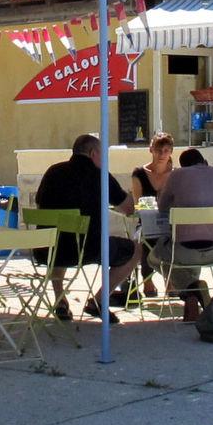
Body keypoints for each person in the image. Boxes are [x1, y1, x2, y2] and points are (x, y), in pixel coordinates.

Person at [33, 133, 140, 323]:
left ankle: (60, 300)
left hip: (45, 249)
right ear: (93, 153)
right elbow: (128, 208)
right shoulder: (99, 176)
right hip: (86, 249)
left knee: (62, 236)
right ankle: (99, 300)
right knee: (135, 250)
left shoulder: (53, 172)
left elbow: (39, 202)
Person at [159, 147, 213, 319]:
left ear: (182, 166)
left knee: (156, 256)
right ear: (205, 162)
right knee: (182, 253)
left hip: (183, 250)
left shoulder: (177, 175)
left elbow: (162, 208)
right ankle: (193, 296)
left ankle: (192, 290)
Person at [128, 131, 178, 298]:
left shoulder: (176, 174)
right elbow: (138, 204)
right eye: (158, 150)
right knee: (146, 235)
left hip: (170, 222)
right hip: (146, 220)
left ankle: (170, 279)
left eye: (166, 150)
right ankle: (147, 279)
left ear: (171, 151)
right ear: (151, 150)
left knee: (172, 236)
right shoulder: (139, 174)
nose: (162, 154)